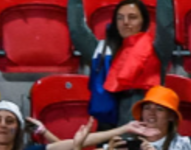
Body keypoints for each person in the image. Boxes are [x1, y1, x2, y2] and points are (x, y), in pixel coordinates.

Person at [72, 0, 173, 128]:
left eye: (133, 17)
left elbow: (166, 27)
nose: (125, 22)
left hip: (147, 135)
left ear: (144, 21)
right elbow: (77, 30)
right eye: (120, 18)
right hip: (110, 135)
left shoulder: (157, 50)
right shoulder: (103, 51)